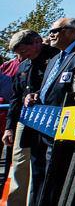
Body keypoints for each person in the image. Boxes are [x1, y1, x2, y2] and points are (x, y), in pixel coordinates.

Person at [32, 18, 75, 206]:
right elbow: (49, 86)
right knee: (40, 175)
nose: (51, 35)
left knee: (53, 177)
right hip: (41, 124)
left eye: (55, 31)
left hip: (62, 126)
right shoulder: (55, 58)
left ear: (71, 32)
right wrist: (35, 95)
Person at [2, 30, 57, 206]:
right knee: (19, 164)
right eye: (18, 54)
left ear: (37, 42)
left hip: (48, 121)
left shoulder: (57, 58)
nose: (22, 57)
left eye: (24, 52)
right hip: (24, 121)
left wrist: (38, 95)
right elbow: (15, 98)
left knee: (40, 169)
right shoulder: (23, 66)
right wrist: (9, 127)